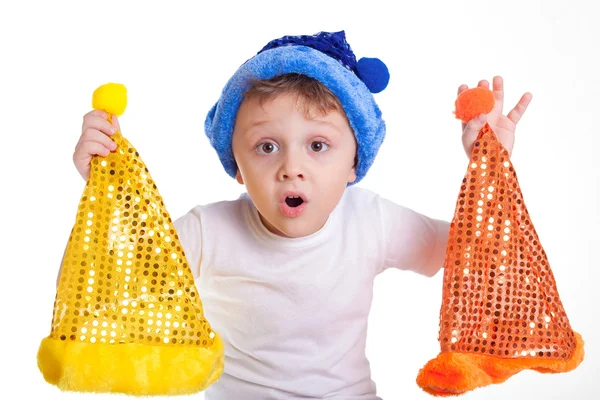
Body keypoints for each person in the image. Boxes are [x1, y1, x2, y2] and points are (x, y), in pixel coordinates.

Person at [70, 31, 532, 399]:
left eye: (317, 146)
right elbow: (108, 283)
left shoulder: (371, 220)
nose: (292, 167)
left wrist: (489, 164)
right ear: (237, 167)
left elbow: (477, 254)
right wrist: (106, 190)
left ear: (355, 162)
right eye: (266, 147)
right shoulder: (207, 233)